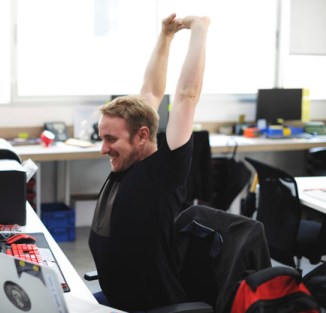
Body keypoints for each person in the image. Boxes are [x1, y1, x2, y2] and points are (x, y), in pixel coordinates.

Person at [88, 13, 211, 312]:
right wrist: (166, 36)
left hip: (149, 307)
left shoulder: (162, 172)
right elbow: (151, 92)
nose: (104, 149)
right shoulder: (125, 163)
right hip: (115, 298)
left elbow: (186, 96)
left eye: (111, 140)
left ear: (142, 136)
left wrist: (199, 28)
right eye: (102, 138)